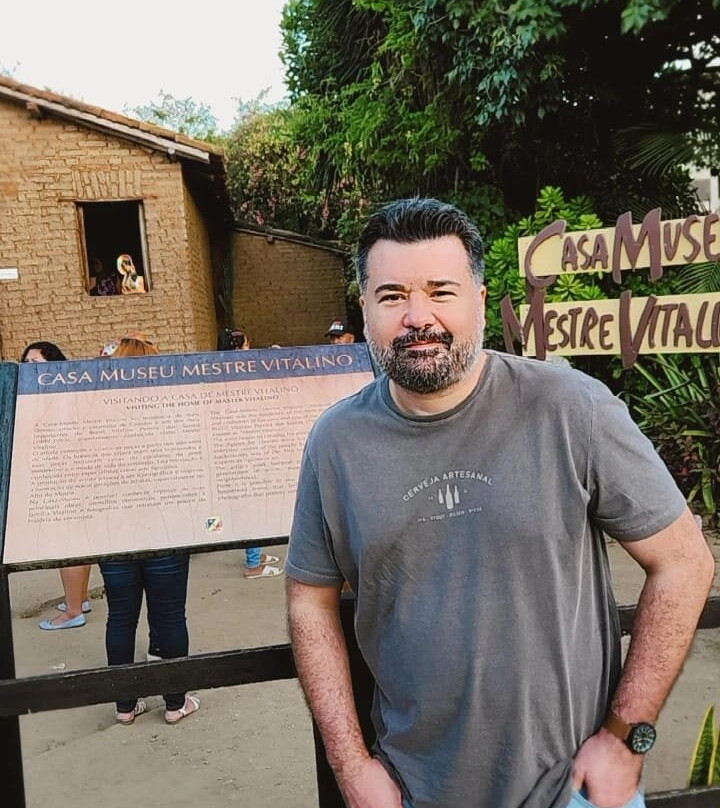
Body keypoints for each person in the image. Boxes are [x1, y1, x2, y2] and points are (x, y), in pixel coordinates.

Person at [285, 198, 715, 808]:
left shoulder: (571, 409)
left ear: (481, 301)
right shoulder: (335, 444)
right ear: (364, 308)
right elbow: (309, 600)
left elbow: (685, 561)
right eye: (391, 296)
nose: (417, 316)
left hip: (573, 792)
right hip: (411, 791)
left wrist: (626, 737)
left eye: (441, 291)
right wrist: (351, 766)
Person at [100, 331, 200, 724]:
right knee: (170, 617)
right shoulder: (170, 414)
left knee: (120, 618)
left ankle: (124, 705)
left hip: (115, 532)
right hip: (166, 529)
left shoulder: (99, 418)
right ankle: (175, 703)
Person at [22, 341, 95, 631]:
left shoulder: (53, 397)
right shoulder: (65, 393)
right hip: (71, 474)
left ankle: (73, 611)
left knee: (67, 545)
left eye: (35, 362)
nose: (29, 368)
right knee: (81, 544)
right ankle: (81, 598)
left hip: (63, 477)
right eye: (26, 362)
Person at [216, 327, 284, 579]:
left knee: (252, 505)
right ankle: (253, 564)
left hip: (235, 446)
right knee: (253, 507)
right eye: (246, 344)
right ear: (237, 348)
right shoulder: (240, 373)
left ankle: (257, 553)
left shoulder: (222, 370)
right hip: (245, 448)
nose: (249, 348)